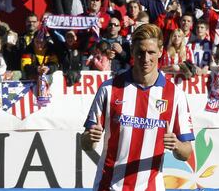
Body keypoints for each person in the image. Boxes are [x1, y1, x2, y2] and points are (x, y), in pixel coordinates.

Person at [81, 24, 194, 191]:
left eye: (151, 52)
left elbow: (186, 152)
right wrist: (90, 138)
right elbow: (85, 143)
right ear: (132, 50)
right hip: (109, 186)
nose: (146, 58)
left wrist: (177, 144)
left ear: (161, 51)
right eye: (140, 52)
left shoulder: (175, 95)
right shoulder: (109, 89)